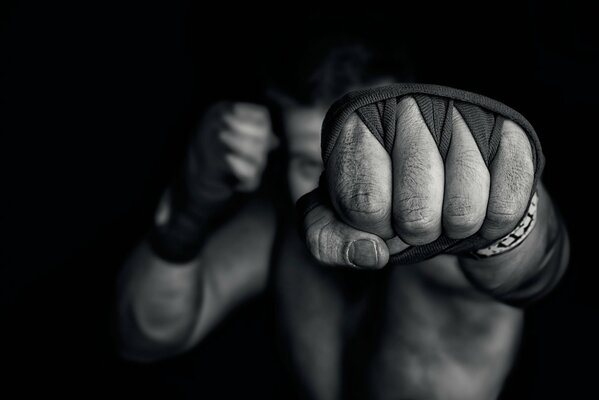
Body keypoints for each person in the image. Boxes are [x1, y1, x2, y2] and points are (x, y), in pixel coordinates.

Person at [116, 38, 569, 400]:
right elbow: (146, 336)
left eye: (371, 157)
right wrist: (189, 207)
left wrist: (507, 216)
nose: (343, 191)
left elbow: (536, 267)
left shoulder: (448, 230)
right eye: (308, 163)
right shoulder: (286, 226)